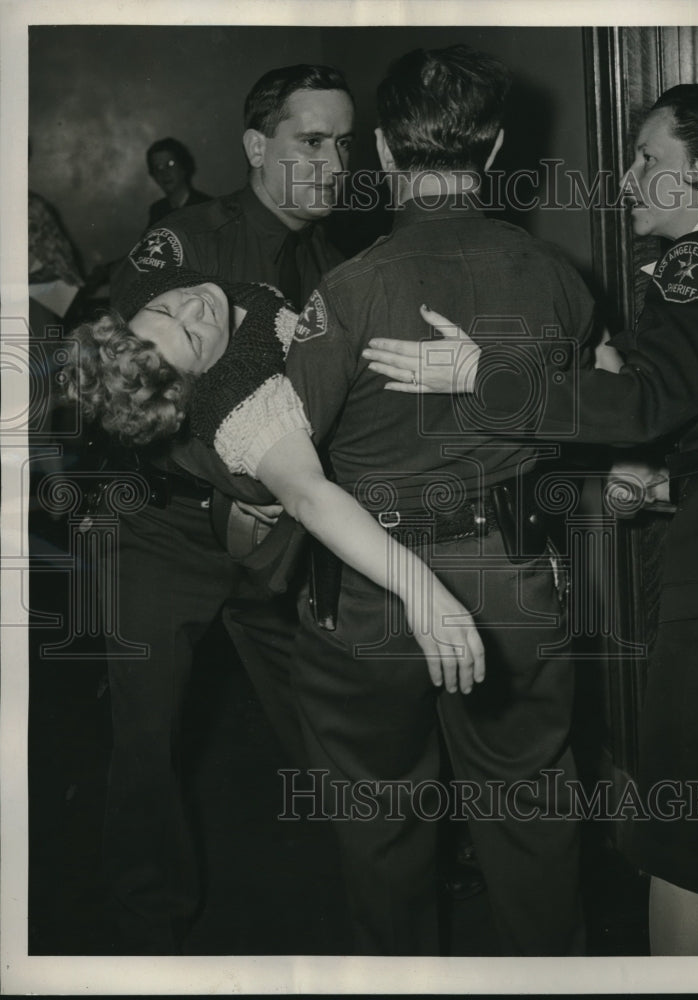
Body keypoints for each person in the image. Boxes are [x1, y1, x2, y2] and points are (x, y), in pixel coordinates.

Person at [363, 83, 698, 956]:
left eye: (648, 160)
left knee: (689, 834)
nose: (625, 177)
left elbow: (650, 400)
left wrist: (480, 376)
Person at [282, 45, 596, 956]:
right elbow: (582, 409)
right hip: (510, 578)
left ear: (382, 150)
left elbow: (283, 455)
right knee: (531, 813)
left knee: (381, 823)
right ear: (494, 149)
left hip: (372, 588)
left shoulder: (347, 289)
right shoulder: (555, 279)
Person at [101, 63, 355, 954]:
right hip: (164, 529)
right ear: (257, 145)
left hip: (280, 538)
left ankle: (380, 883)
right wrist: (234, 486)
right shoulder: (186, 242)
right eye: (310, 141)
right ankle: (149, 927)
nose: (334, 161)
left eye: (344, 142)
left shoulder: (339, 260)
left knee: (330, 717)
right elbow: (120, 391)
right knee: (145, 735)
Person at [63, 268, 484, 691]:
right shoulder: (238, 399)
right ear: (197, 384)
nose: (194, 305)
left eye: (165, 308)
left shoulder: (152, 297)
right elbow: (310, 496)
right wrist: (419, 588)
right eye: (193, 338)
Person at [145, 137, 212, 227]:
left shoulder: (207, 207)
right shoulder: (157, 211)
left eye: (170, 164)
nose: (164, 173)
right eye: (158, 168)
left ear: (183, 166)